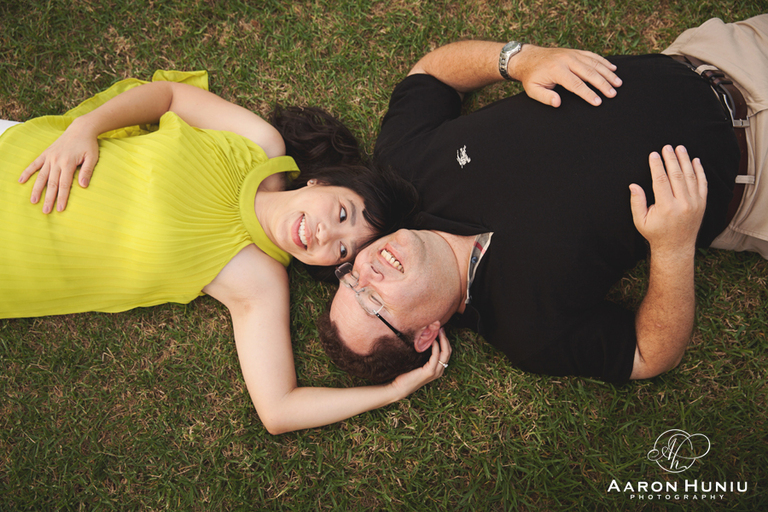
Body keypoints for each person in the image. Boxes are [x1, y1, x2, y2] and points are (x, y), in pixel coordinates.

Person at [319, 15, 768, 385]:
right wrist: (674, 247)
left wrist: (520, 60)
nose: (366, 272)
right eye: (373, 304)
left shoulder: (401, 169)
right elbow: (649, 355)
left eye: (349, 279)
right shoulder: (529, 331)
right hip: (756, 182)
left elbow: (429, 75)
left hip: (724, 54)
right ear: (424, 336)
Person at [0, 70, 452, 434]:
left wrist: (393, 391)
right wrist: (85, 127)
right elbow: (168, 97)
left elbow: (278, 410)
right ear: (321, 181)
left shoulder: (256, 280)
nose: (321, 236)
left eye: (340, 250)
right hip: (21, 158)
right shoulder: (261, 145)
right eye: (340, 213)